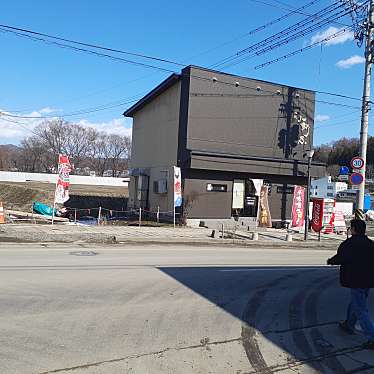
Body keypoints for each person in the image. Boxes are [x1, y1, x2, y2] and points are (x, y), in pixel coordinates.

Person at [327, 219, 374, 350]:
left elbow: (341, 258)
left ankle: (372, 337)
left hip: (356, 280)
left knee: (360, 309)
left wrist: (330, 261)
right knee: (356, 302)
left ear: (353, 229)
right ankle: (349, 324)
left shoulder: (349, 244)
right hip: (368, 281)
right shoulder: (370, 244)